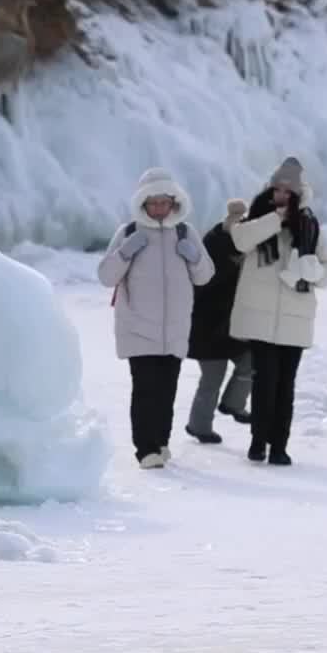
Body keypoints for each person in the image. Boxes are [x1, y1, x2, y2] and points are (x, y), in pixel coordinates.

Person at [97, 168, 215, 468]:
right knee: (145, 390)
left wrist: (194, 256)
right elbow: (106, 276)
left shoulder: (186, 233)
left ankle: (161, 442)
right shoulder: (128, 233)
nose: (159, 208)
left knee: (167, 391)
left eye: (164, 202)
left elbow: (205, 277)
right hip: (137, 327)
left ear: (174, 202)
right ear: (143, 204)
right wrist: (125, 252)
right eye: (153, 203)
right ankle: (145, 448)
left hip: (174, 330)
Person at [229, 157, 327, 466]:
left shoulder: (310, 227)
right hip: (260, 319)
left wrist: (314, 272)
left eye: (287, 191)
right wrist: (276, 219)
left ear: (298, 193)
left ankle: (279, 445)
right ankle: (258, 441)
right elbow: (240, 240)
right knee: (264, 381)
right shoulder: (258, 221)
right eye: (276, 189)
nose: (281, 195)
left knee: (285, 385)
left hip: (295, 319)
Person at [183, 199, 254, 445]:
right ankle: (199, 426)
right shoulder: (212, 250)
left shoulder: (244, 252)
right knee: (212, 377)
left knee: (250, 362)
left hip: (233, 326)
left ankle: (233, 404)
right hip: (208, 327)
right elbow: (206, 284)